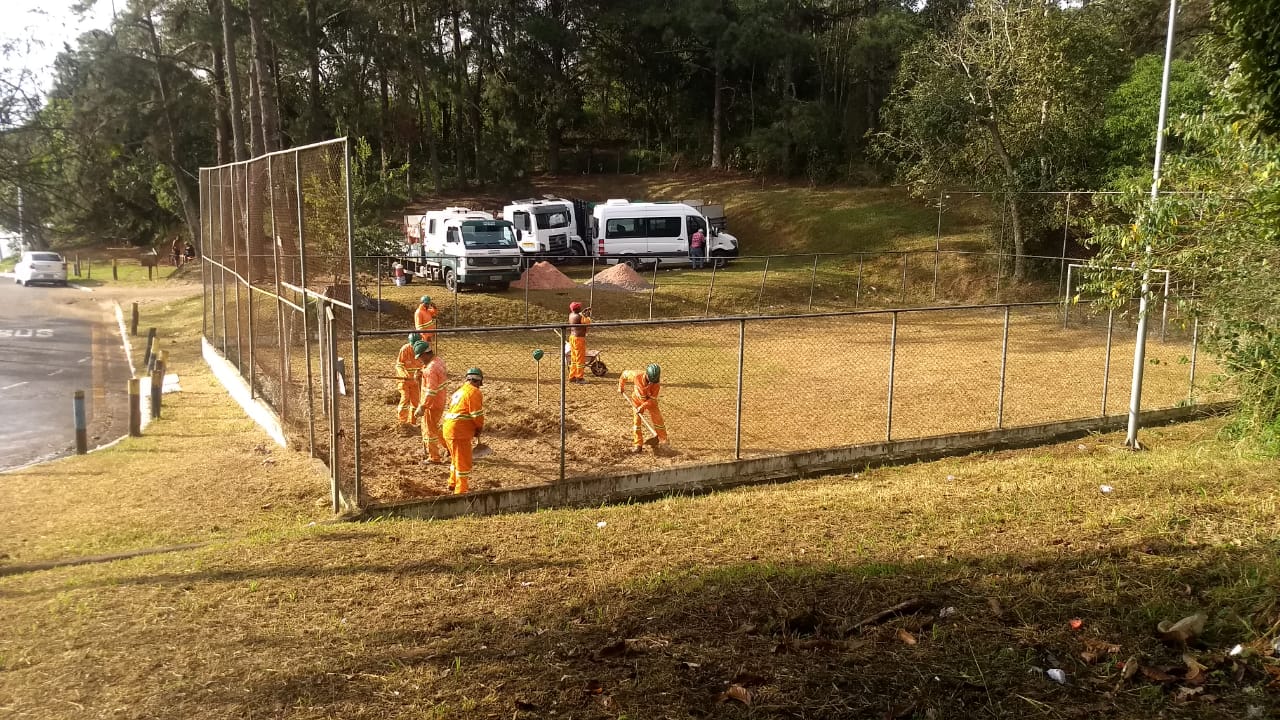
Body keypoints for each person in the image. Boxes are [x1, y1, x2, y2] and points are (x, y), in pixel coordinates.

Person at [442, 367, 485, 494]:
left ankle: (452, 482)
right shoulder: (474, 392)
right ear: (478, 381)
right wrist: (479, 427)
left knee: (455, 459)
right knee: (463, 463)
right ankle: (461, 490)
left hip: (448, 430)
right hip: (459, 432)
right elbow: (476, 414)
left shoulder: (459, 391)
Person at [618, 363, 667, 453]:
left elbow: (652, 400)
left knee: (658, 420)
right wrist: (621, 386)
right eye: (650, 380)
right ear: (647, 374)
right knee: (637, 423)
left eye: (654, 381)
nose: (652, 383)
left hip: (650, 403)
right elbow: (624, 374)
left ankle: (663, 441)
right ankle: (638, 445)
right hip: (637, 400)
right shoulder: (636, 375)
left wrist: (643, 406)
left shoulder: (656, 384)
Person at [414, 346, 449, 465]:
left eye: (420, 357)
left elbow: (431, 391)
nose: (420, 360)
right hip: (440, 400)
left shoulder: (431, 369)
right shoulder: (438, 361)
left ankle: (434, 457)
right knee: (435, 428)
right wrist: (421, 374)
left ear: (425, 354)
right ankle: (449, 448)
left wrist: (422, 406)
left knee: (428, 430)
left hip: (431, 404)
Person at [394, 336, 430, 427]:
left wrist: (421, 374)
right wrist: (403, 375)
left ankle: (412, 422)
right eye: (413, 345)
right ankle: (402, 422)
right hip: (404, 381)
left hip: (415, 382)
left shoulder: (423, 351)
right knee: (405, 398)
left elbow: (426, 366)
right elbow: (399, 365)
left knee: (415, 402)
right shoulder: (404, 350)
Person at [567, 301, 592, 384]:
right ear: (578, 309)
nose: (581, 308)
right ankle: (579, 378)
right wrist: (588, 316)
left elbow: (579, 315)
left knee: (574, 358)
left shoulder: (571, 315)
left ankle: (572, 376)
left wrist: (583, 312)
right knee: (580, 359)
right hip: (579, 339)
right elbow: (587, 323)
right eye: (580, 307)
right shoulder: (580, 317)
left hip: (572, 338)